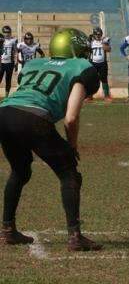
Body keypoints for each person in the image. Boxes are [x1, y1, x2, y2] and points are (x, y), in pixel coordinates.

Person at [0, 28, 102, 251]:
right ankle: (75, 236)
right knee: (69, 173)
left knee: (20, 170)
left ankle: (7, 230)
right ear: (74, 49)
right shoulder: (82, 67)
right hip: (34, 118)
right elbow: (71, 119)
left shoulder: (33, 64)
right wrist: (72, 146)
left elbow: (24, 94)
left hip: (5, 112)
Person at [88, 27, 112, 102]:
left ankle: (107, 96)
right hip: (93, 62)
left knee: (104, 80)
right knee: (91, 80)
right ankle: (89, 96)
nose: (98, 36)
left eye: (99, 34)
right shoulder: (91, 42)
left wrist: (104, 43)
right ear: (94, 35)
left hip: (102, 63)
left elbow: (108, 49)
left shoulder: (104, 41)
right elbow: (87, 49)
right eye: (96, 34)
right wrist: (88, 41)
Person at [0, 26, 18, 98]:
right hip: (1, 63)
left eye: (8, 32)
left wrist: (16, 62)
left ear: (10, 32)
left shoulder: (13, 40)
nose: (6, 34)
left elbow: (16, 51)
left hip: (10, 63)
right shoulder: (1, 39)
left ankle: (6, 96)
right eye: (5, 32)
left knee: (8, 79)